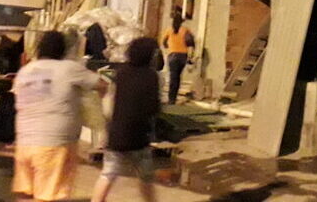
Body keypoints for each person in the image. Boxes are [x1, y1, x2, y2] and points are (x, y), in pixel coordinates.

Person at [12, 30, 106, 202]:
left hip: (24, 144)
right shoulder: (69, 68)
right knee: (49, 196)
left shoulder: (25, 71)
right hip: (54, 145)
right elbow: (101, 84)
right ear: (63, 50)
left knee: (25, 194)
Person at [90, 37, 160, 202]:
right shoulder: (151, 76)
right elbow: (153, 107)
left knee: (108, 174)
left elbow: (110, 103)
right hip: (138, 136)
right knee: (146, 177)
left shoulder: (121, 73)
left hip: (117, 135)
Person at [161, 15, 194, 105]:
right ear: (181, 22)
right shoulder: (185, 30)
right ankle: (174, 98)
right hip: (182, 56)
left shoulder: (169, 30)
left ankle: (171, 99)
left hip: (172, 55)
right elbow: (190, 43)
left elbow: (164, 43)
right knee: (178, 77)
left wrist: (170, 47)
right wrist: (190, 57)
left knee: (173, 77)